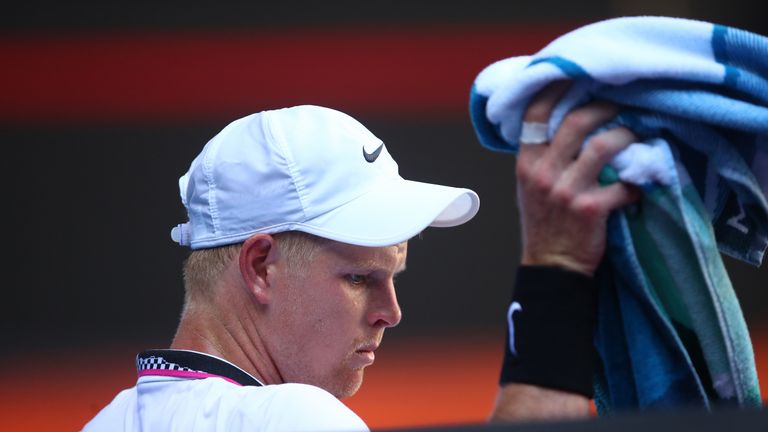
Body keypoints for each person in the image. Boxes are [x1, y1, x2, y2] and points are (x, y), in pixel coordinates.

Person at [83, 85, 639, 430]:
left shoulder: (103, 423)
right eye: (358, 277)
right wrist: (558, 268)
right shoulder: (291, 418)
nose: (390, 312)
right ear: (258, 267)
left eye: (392, 276)